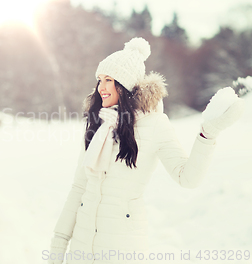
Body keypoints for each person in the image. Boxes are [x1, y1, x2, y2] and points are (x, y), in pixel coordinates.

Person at [47, 37, 244, 264]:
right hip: (81, 248)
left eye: (108, 80)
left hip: (122, 249)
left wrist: (207, 135)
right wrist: (59, 244)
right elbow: (79, 187)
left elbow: (187, 177)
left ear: (125, 84)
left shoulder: (155, 124)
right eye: (99, 80)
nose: (101, 87)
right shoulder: (97, 122)